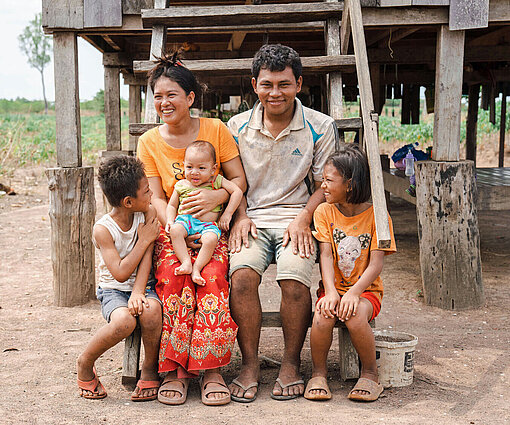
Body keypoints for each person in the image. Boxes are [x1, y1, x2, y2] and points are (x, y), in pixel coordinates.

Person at [227, 44, 338, 402]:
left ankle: (291, 363)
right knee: (242, 277)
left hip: (298, 219)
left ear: (299, 84)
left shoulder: (321, 127)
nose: (276, 93)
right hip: (252, 218)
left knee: (293, 281)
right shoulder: (237, 127)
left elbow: (326, 185)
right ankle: (250, 364)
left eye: (284, 84)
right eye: (267, 84)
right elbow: (233, 181)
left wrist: (306, 216)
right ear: (254, 85)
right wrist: (241, 216)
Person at [137, 52, 246, 406]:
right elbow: (154, 196)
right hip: (176, 230)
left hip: (213, 227)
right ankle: (175, 370)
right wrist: (172, 225)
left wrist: (215, 195)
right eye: (157, 96)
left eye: (171, 95)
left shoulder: (215, 129)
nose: (164, 103)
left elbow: (237, 179)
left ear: (190, 98)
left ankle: (211, 368)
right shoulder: (149, 141)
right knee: (174, 276)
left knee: (213, 276)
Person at [304, 146, 396, 402]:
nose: (322, 186)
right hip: (333, 288)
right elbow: (325, 255)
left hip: (366, 291)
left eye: (329, 181)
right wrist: (331, 292)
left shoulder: (378, 216)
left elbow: (376, 264)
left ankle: (370, 374)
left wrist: (354, 293)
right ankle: (318, 373)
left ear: (350, 184)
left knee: (355, 317)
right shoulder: (323, 211)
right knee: (323, 314)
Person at [76, 155, 162, 401]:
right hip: (114, 289)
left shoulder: (147, 212)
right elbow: (120, 272)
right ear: (128, 201)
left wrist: (138, 291)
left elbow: (146, 258)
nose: (151, 195)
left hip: (143, 284)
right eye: (146, 191)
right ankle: (85, 362)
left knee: (151, 312)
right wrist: (145, 239)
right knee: (125, 322)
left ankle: (149, 368)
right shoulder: (103, 229)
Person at [165, 141, 243, 285]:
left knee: (211, 240)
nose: (194, 172)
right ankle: (186, 262)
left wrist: (227, 213)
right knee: (175, 230)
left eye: (201, 168)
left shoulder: (216, 180)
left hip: (208, 225)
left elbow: (237, 192)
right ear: (183, 165)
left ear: (213, 169)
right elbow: (171, 205)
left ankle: (197, 268)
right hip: (185, 221)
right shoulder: (181, 185)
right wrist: (170, 220)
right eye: (189, 167)